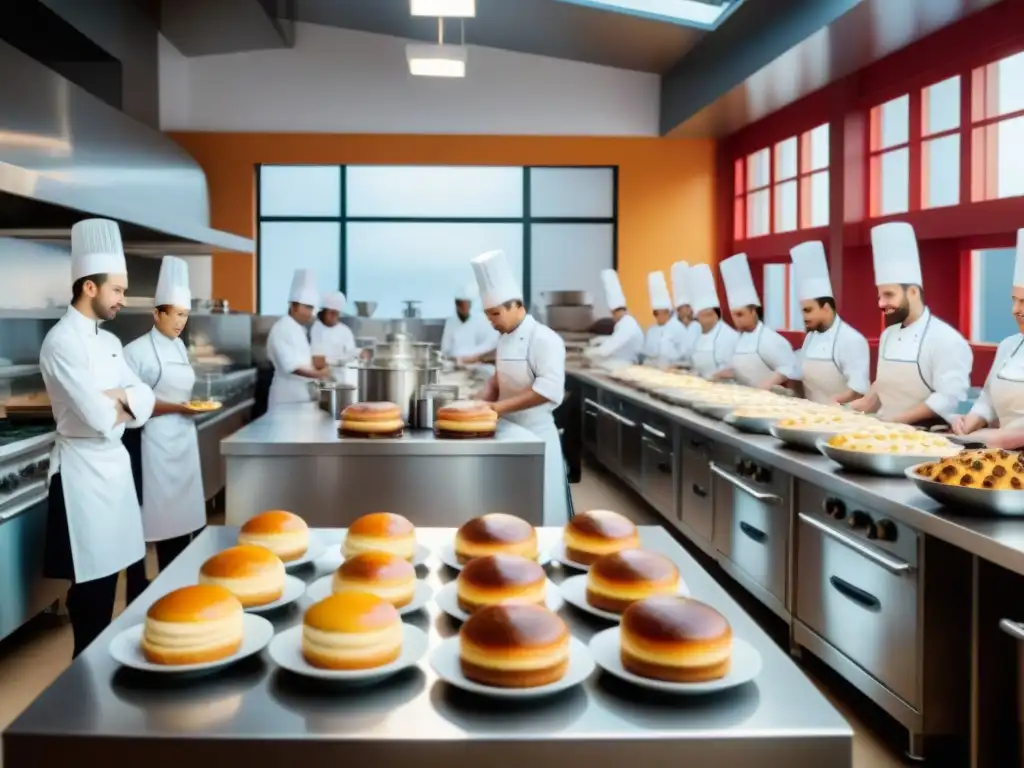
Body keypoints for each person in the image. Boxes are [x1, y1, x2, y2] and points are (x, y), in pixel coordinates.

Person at [39, 218, 156, 659]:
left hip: (113, 471)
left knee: (112, 586)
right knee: (90, 594)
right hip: (82, 477)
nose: (124, 300)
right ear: (90, 287)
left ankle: (98, 681)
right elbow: (94, 416)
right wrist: (123, 402)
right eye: (118, 290)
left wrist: (122, 398)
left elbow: (144, 398)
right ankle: (82, 688)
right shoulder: (62, 342)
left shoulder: (107, 342)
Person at [122, 256, 205, 601]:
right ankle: (145, 589)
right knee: (154, 521)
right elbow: (128, 403)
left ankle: (180, 585)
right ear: (156, 314)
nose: (180, 322)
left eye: (184, 315)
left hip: (184, 441)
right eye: (174, 314)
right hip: (154, 444)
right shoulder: (135, 352)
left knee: (186, 519)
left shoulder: (180, 346)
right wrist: (178, 408)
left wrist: (188, 407)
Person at [472, 250, 569, 526]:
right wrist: (477, 403)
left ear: (516, 305)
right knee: (509, 518)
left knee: (541, 516)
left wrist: (497, 408)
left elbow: (548, 390)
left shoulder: (545, 339)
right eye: (487, 314)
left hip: (537, 436)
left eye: (495, 313)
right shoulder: (504, 338)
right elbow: (498, 380)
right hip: (507, 435)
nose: (491, 321)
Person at [850, 222, 973, 426]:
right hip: (884, 429)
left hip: (925, 435)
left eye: (889, 295)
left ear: (913, 292)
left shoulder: (947, 339)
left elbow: (948, 398)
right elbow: (881, 388)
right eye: (879, 296)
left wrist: (895, 421)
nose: (881, 303)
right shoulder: (888, 335)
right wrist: (842, 410)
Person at [952, 228, 1024, 438]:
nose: (1015, 310)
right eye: (1014, 300)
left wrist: (1004, 438)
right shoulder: (1008, 346)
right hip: (1006, 461)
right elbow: (988, 401)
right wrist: (969, 422)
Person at [787, 241, 870, 404]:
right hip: (811, 413)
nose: (804, 317)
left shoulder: (852, 340)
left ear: (826, 308)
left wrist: (833, 403)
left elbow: (858, 390)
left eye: (808, 310)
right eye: (803, 311)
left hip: (843, 416)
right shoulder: (811, 337)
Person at [716, 253, 798, 389]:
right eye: (733, 316)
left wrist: (767, 384)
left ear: (753, 311)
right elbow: (738, 368)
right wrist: (718, 376)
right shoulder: (738, 340)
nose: (737, 321)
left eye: (740, 314)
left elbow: (789, 367)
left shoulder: (770, 339)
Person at [266, 269, 329, 410]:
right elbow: (291, 366)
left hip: (302, 396)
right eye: (306, 307)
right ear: (293, 306)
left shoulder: (299, 329)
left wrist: (319, 366)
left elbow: (303, 359)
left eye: (311, 308)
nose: (309, 313)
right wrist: (320, 374)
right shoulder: (282, 328)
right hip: (286, 397)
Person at [688, 263, 739, 379]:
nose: (698, 320)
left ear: (712, 314)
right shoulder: (697, 335)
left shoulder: (729, 336)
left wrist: (712, 377)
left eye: (701, 316)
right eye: (697, 317)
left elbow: (733, 371)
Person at [584, 269, 643, 366]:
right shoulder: (624, 323)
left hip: (626, 364)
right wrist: (599, 340)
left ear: (613, 312)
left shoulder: (628, 324)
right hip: (620, 361)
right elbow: (614, 339)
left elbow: (606, 350)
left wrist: (589, 352)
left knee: (594, 363)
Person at [440, 283, 499, 362]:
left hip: (478, 366)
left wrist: (471, 359)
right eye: (462, 304)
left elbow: (489, 346)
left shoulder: (482, 320)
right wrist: (454, 359)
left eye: (467, 304)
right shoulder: (450, 323)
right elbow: (445, 350)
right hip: (455, 366)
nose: (465, 307)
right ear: (457, 305)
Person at [311, 290, 359, 385]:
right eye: (331, 313)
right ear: (324, 313)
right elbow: (318, 360)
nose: (333, 316)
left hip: (341, 379)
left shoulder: (345, 331)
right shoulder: (316, 328)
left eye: (336, 313)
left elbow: (352, 353)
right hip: (321, 379)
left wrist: (360, 353)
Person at [641, 271, 680, 366]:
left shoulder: (678, 328)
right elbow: (646, 353)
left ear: (666, 312)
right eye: (654, 313)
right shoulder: (651, 330)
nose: (655, 317)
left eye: (656, 313)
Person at [670, 261, 702, 364]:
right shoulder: (672, 326)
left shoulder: (698, 326)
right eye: (680, 308)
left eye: (687, 307)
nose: (685, 311)